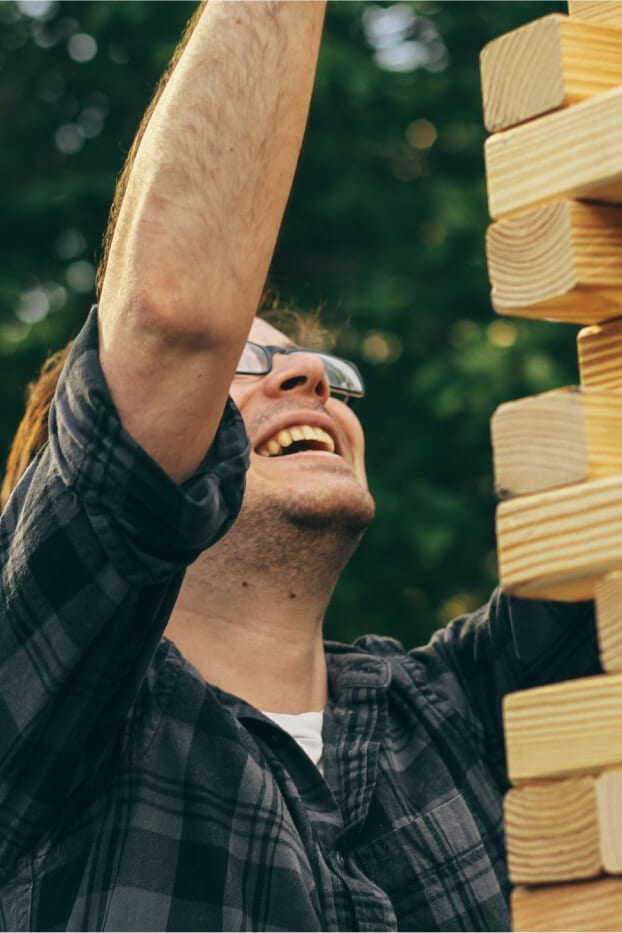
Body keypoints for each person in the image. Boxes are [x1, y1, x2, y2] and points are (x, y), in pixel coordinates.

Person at [0, 4, 601, 931]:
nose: (310, 372)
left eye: (318, 366)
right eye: (243, 366)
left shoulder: (460, 710)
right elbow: (168, 319)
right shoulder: (48, 716)